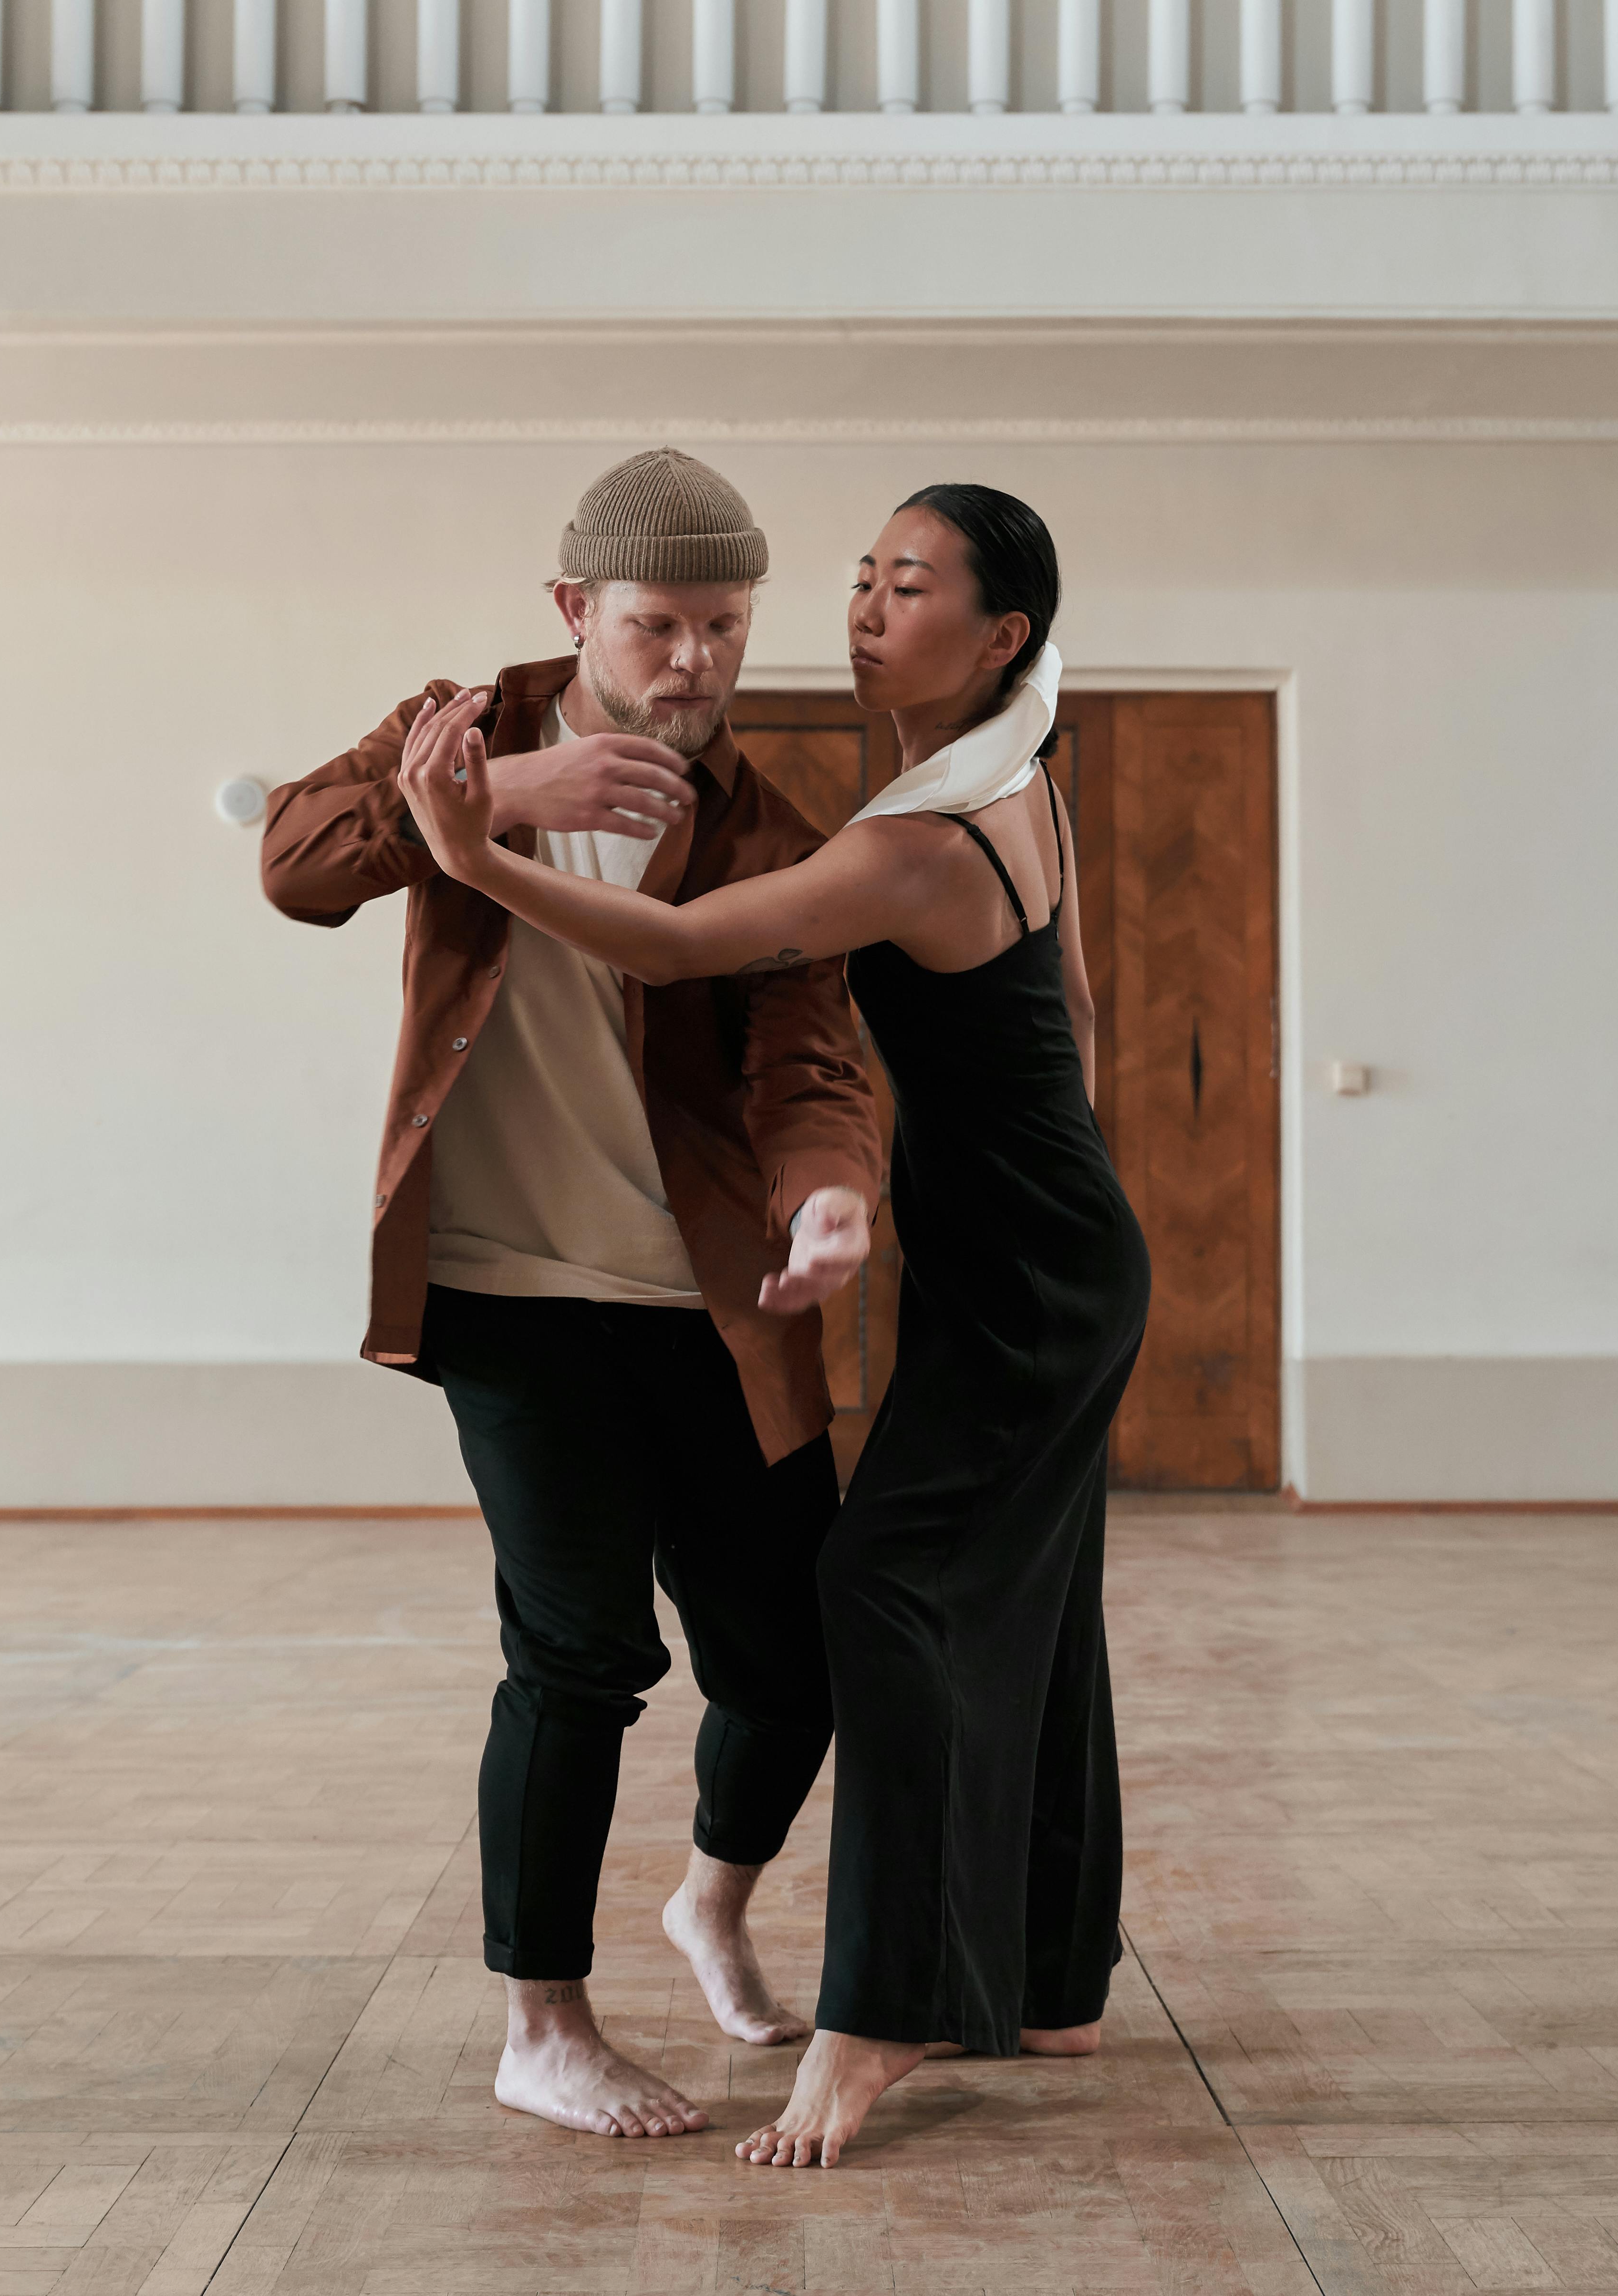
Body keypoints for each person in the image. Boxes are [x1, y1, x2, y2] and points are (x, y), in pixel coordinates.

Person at [394, 483, 1148, 2170]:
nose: (862, 614)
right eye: (861, 581)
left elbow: (695, 970)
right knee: (1021, 1597)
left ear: (1001, 633)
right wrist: (483, 803)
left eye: (908, 587)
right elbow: (1076, 1016)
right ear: (579, 609)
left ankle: (872, 2024)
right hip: (1024, 1260)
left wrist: (467, 855)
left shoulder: (892, 833)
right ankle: (1047, 1977)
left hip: (1002, 1277)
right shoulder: (1013, 771)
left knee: (874, 1599)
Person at [259, 449, 884, 2141]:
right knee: (582, 1653)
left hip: (713, 1313)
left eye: (725, 626)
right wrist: (487, 811)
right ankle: (540, 2022)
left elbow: (809, 1058)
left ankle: (714, 1903)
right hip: (506, 1292)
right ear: (573, 615)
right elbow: (297, 864)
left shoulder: (765, 830)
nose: (692, 660)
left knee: (796, 1666)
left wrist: (833, 1194)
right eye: (658, 624)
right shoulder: (458, 734)